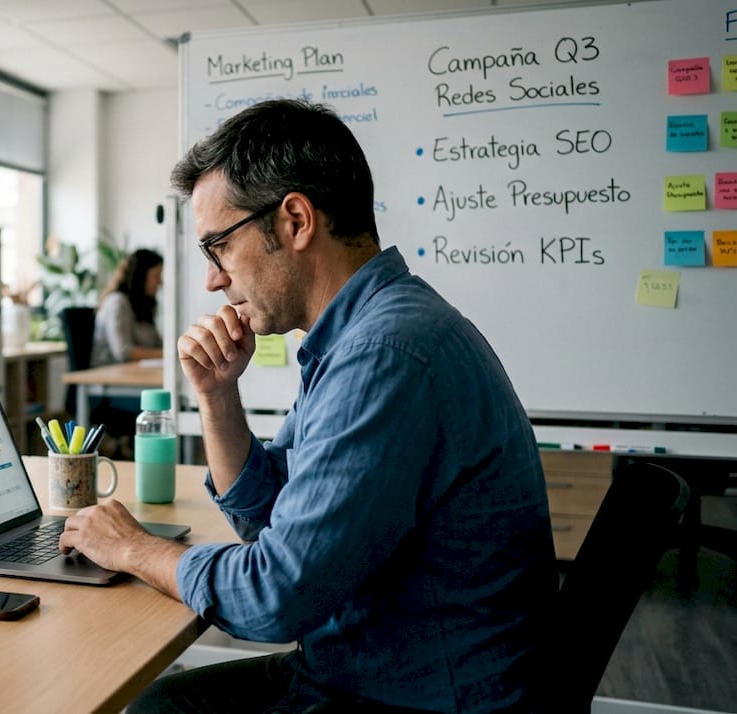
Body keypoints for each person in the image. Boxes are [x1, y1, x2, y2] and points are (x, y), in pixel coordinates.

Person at [58, 100, 556, 713]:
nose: (213, 279)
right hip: (377, 665)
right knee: (161, 704)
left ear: (295, 221)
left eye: (218, 246)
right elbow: (274, 518)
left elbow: (275, 596)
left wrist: (134, 549)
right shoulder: (364, 334)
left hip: (407, 696)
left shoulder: (384, 355)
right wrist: (217, 396)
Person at [90, 248, 164, 368]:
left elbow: (156, 343)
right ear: (141, 277)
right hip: (109, 373)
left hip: (138, 370)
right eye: (156, 276)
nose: (160, 283)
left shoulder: (146, 304)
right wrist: (168, 354)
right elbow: (124, 352)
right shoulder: (118, 302)